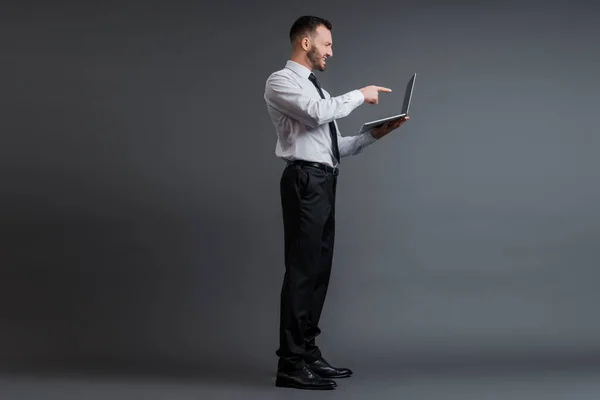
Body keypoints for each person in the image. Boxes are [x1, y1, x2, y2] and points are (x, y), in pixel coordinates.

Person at [263, 15, 409, 390]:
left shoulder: (321, 91)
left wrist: (376, 133)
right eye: (326, 43)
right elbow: (315, 116)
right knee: (301, 271)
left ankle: (308, 353)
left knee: (319, 271)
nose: (331, 51)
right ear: (306, 43)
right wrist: (361, 95)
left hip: (324, 181)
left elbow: (334, 147)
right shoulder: (281, 82)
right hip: (304, 182)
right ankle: (290, 364)